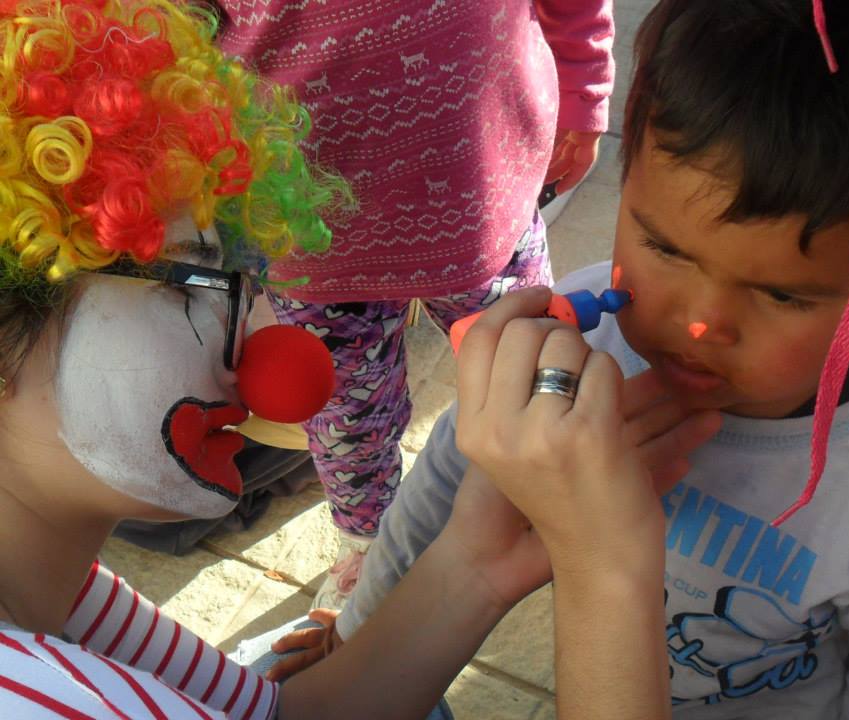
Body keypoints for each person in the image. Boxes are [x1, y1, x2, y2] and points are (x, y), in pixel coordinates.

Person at [0, 2, 717, 717]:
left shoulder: (64, 588)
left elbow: (286, 715)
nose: (269, 343)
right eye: (193, 278)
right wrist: (606, 569)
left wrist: (478, 558)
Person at [269, 0, 849, 717]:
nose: (699, 325)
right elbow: (448, 488)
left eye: (784, 295)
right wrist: (360, 632)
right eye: (663, 247)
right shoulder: (572, 333)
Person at [211, 0, 616, 608]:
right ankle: (373, 543)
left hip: (483, 182)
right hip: (307, 220)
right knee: (349, 420)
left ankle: (544, 490)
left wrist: (583, 92)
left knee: (528, 359)